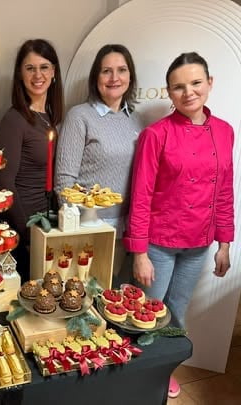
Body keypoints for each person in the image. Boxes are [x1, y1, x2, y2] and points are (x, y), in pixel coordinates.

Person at [123, 52, 234, 399]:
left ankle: (163, 372)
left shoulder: (226, 132)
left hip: (198, 244)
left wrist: (224, 243)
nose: (189, 93)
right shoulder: (156, 135)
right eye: (179, 87)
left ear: (210, 83)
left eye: (196, 83)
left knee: (178, 315)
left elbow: (225, 190)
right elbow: (140, 196)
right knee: (146, 315)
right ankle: (136, 378)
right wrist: (139, 253)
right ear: (169, 93)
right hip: (159, 242)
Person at [54, 44, 144, 277]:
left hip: (123, 229)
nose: (114, 78)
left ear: (130, 76)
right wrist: (74, 225)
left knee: (109, 296)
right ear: (96, 78)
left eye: (122, 70)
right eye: (106, 71)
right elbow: (64, 180)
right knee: (80, 296)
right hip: (88, 228)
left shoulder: (134, 119)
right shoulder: (80, 116)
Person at [0, 39, 64, 278]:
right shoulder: (14, 120)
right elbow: (5, 182)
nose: (38, 74)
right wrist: (28, 234)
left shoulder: (52, 116)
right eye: (30, 68)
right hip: (25, 229)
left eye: (44, 67)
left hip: (50, 225)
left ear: (53, 72)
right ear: (20, 74)